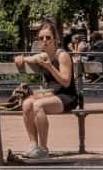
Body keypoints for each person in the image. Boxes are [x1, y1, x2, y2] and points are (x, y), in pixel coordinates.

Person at [14, 19, 78, 162]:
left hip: (66, 96)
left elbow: (66, 82)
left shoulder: (62, 56)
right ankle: (33, 145)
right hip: (51, 94)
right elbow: (31, 58)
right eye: (41, 38)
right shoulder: (42, 55)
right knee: (26, 104)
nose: (44, 41)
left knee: (37, 106)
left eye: (48, 37)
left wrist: (49, 67)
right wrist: (21, 59)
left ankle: (43, 148)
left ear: (55, 39)